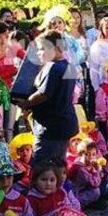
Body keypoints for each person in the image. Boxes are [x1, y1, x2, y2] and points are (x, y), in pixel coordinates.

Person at [14, 30, 79, 164]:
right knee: (58, 164)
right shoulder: (69, 66)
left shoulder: (54, 68)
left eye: (42, 49)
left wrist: (26, 103)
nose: (39, 53)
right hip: (64, 123)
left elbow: (44, 94)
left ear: (55, 48)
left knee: (41, 165)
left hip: (50, 127)